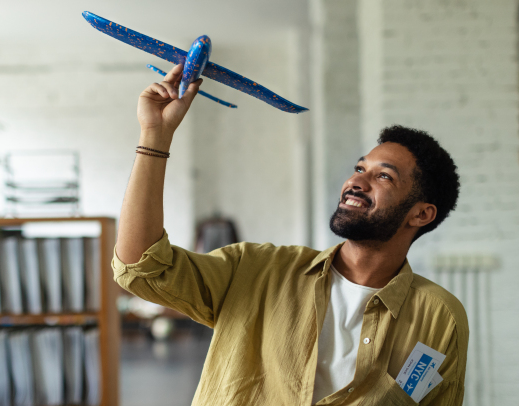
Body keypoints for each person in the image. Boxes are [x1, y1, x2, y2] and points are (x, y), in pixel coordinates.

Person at [113, 64, 468, 405]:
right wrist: (155, 136)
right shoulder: (255, 270)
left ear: (421, 214)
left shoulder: (440, 317)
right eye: (360, 168)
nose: (356, 182)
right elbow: (141, 268)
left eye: (383, 176)